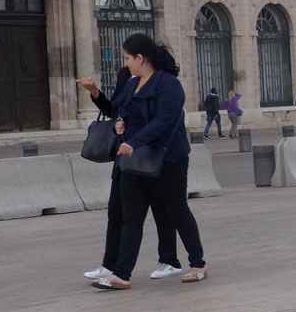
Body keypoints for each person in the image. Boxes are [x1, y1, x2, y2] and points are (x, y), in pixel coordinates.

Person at [93, 34, 207, 289]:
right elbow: (119, 112)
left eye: (128, 58)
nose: (126, 64)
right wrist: (121, 126)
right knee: (131, 216)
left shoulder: (169, 85)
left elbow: (163, 121)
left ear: (140, 58)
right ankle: (122, 275)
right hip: (134, 162)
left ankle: (198, 263)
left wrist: (134, 141)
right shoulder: (132, 85)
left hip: (168, 159)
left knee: (177, 210)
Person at [76, 70, 184, 283]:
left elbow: (158, 120)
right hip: (125, 158)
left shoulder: (160, 85)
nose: (126, 62)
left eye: (129, 57)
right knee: (117, 212)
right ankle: (111, 265)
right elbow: (115, 110)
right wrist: (95, 92)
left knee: (162, 211)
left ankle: (169, 260)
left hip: (150, 156)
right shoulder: (127, 78)